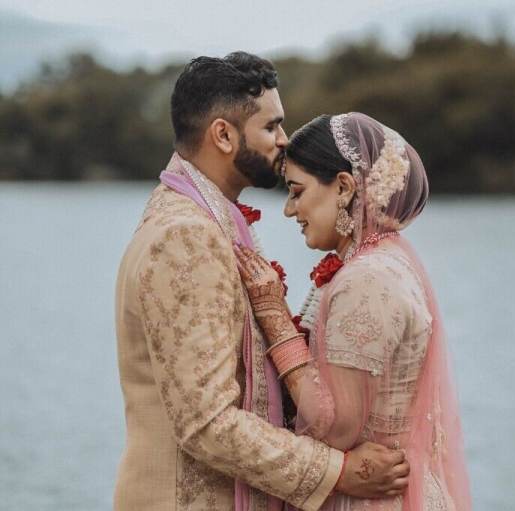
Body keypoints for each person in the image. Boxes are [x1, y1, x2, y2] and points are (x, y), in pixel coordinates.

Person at [114, 53, 409, 511]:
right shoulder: (186, 236)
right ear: (223, 135)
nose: (285, 140)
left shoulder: (200, 219)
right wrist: (337, 472)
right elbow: (207, 422)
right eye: (271, 127)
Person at [235, 113, 472, 510]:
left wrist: (274, 317)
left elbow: (335, 427)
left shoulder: (366, 279)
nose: (290, 210)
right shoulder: (384, 261)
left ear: (343, 187)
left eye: (297, 191)